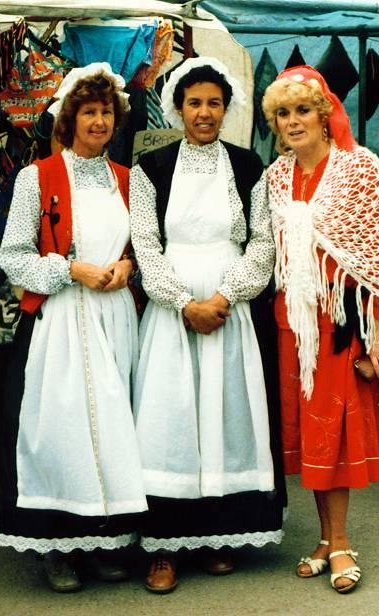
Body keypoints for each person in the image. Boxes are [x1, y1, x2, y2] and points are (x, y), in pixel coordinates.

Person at [129, 56, 284, 594]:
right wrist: (181, 302)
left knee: (224, 417)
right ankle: (163, 550)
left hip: (229, 308)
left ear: (226, 109)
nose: (203, 112)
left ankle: (219, 536)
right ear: (177, 108)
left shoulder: (249, 167)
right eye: (194, 102)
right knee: (169, 423)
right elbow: (146, 245)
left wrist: (223, 296)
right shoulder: (152, 169)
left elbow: (262, 242)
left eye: (213, 103)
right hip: (173, 312)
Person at [0, 63, 146, 593]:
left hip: (114, 318)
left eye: (107, 112)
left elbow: (144, 249)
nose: (100, 121)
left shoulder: (131, 182)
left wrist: (129, 265)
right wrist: (69, 269)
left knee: (113, 431)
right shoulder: (35, 178)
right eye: (89, 112)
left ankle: (104, 543)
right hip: (61, 318)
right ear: (69, 118)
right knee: (62, 431)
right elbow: (12, 258)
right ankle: (59, 549)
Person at [261, 65, 379, 594]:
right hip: (293, 320)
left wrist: (376, 332)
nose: (293, 121)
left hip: (342, 320)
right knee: (310, 432)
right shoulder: (275, 178)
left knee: (335, 429)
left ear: (324, 115)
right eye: (283, 113)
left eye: (303, 110)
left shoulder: (359, 169)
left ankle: (341, 541)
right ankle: (325, 539)